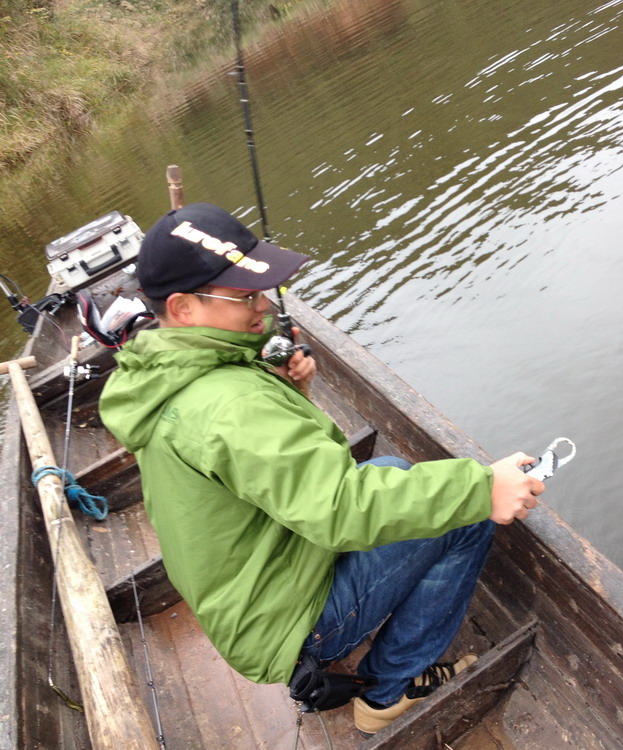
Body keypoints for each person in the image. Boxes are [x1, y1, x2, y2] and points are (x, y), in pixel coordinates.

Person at [98, 202, 544, 735]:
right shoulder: (226, 403)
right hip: (284, 625)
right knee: (466, 515)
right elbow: (338, 507)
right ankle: (387, 691)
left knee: (393, 467)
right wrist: (483, 488)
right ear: (184, 308)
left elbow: (267, 466)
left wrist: (290, 392)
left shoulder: (174, 375)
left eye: (261, 292)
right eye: (245, 296)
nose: (263, 306)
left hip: (252, 594)